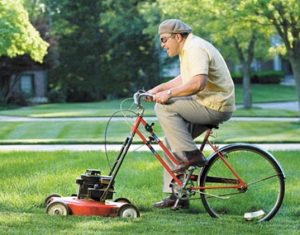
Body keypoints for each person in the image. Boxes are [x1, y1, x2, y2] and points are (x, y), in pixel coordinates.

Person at [147, 19, 236, 209]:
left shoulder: (195, 48)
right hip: (207, 103)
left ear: (177, 37)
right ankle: (178, 197)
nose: (162, 45)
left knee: (164, 107)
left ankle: (192, 156)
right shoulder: (188, 49)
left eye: (164, 40)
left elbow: (198, 84)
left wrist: (168, 94)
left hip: (214, 106)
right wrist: (159, 89)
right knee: (171, 141)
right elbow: (186, 79)